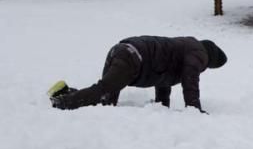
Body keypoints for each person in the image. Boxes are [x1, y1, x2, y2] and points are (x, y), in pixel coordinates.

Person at [49, 36, 227, 112]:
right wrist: (194, 109)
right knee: (104, 90)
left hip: (122, 50)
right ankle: (63, 103)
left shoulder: (184, 46)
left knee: (106, 102)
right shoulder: (198, 53)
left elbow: (164, 78)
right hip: (133, 58)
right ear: (210, 59)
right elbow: (190, 80)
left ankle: (67, 92)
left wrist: (162, 106)